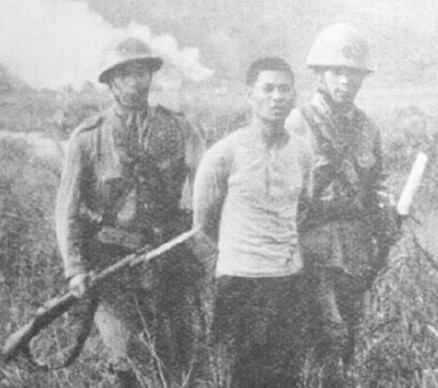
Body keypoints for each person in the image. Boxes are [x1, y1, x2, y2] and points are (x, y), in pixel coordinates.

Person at [56, 35, 206, 388]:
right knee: (127, 360)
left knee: (178, 357)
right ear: (110, 82)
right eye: (126, 74)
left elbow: (209, 187)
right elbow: (67, 211)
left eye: (143, 72)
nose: (137, 82)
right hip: (111, 266)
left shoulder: (180, 129)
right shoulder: (88, 139)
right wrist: (75, 269)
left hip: (168, 261)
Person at [286, 23, 399, 387]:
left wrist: (387, 212)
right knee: (326, 330)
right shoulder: (298, 122)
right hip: (312, 243)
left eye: (354, 74)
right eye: (337, 72)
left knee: (349, 332)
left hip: (357, 246)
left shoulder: (367, 128)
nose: (346, 81)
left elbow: (376, 182)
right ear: (320, 74)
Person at [193, 56, 314, 388]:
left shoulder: (303, 153)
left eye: (285, 89)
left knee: (286, 379)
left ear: (294, 96)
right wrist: (236, 259)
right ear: (250, 95)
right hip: (239, 285)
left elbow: (302, 208)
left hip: (289, 282)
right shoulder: (223, 154)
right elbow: (201, 225)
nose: (277, 97)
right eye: (268, 89)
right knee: (240, 379)